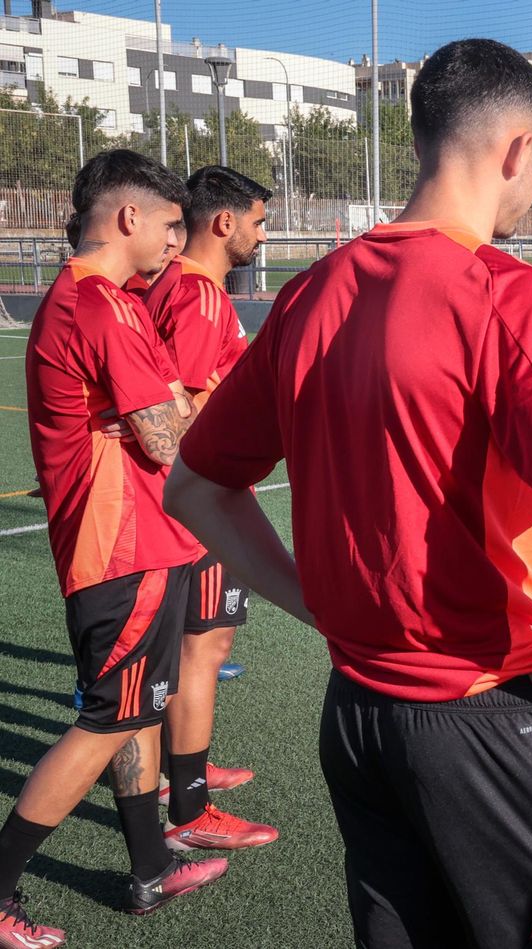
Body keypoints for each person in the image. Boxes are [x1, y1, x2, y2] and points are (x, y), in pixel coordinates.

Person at [163, 40, 532, 948]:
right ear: (517, 150)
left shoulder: (307, 295)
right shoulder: (513, 294)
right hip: (493, 715)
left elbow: (194, 487)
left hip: (356, 716)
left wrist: (315, 601)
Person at [2, 150, 229, 948]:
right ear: (128, 217)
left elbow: (170, 413)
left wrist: (188, 407)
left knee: (137, 710)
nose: (179, 240)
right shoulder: (99, 304)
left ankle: (147, 869)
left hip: (138, 540)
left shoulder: (116, 300)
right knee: (105, 720)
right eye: (171, 225)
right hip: (117, 549)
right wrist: (236, 412)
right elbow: (170, 438)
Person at [142, 166, 281, 844]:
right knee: (205, 645)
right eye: (258, 221)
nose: (262, 234)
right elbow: (189, 411)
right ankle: (189, 810)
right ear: (224, 223)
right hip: (204, 508)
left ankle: (183, 771)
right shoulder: (198, 296)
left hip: (190, 504)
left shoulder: (178, 286)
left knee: (199, 645)